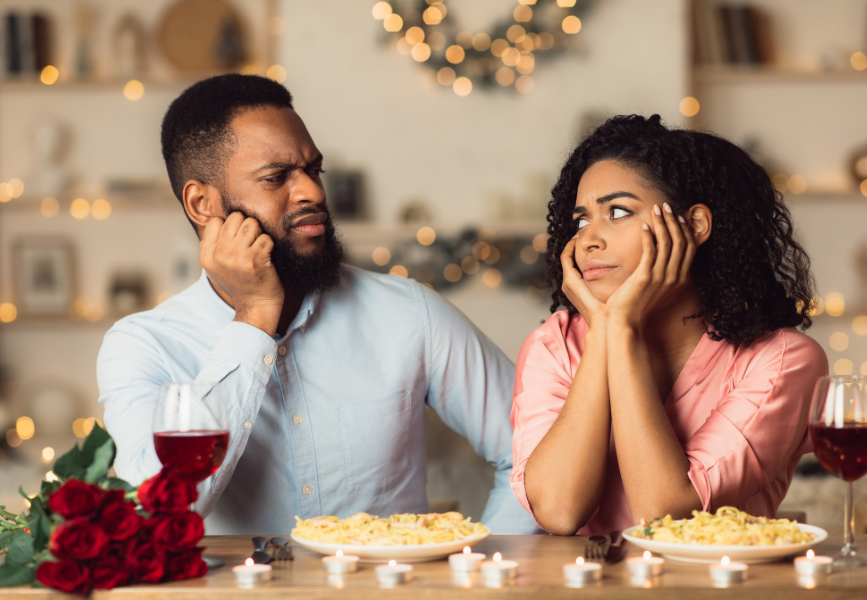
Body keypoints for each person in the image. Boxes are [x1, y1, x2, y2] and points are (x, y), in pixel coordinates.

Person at [97, 74, 537, 535]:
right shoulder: (142, 346)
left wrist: (483, 569)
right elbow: (161, 514)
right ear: (202, 204)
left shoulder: (410, 314)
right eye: (276, 177)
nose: (313, 193)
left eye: (313, 170)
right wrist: (254, 318)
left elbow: (535, 454)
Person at [509, 114, 828, 535]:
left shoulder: (783, 360)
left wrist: (619, 327)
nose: (588, 240)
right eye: (582, 219)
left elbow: (662, 516)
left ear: (694, 226)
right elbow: (559, 510)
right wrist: (608, 331)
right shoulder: (554, 345)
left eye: (618, 212)